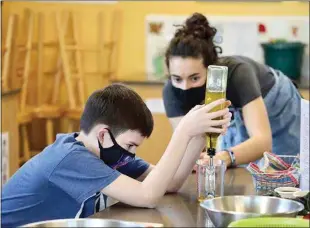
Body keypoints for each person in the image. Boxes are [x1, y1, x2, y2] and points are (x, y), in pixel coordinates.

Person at [1, 83, 231, 227]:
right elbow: (148, 196)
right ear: (104, 135)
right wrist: (183, 131)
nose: (131, 154)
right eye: (130, 145)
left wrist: (199, 136)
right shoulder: (71, 158)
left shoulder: (107, 154)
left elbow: (168, 183)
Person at [163, 12, 302, 168]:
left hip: (278, 104)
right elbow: (188, 144)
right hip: (236, 108)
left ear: (211, 69)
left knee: (284, 169)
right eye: (177, 79)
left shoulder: (238, 74)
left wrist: (224, 157)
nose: (185, 87)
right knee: (231, 162)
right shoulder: (171, 91)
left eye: (194, 78)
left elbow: (263, 141)